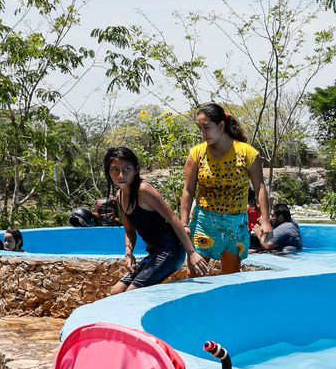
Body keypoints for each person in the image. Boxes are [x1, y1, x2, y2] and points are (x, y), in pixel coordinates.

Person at [103, 146, 209, 297]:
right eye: (115, 169)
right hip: (154, 253)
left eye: (127, 168)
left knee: (131, 294)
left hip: (171, 250)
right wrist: (128, 254)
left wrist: (191, 252)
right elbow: (129, 230)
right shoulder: (119, 196)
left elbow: (173, 219)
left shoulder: (144, 190)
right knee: (116, 292)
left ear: (136, 170)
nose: (121, 175)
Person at [180, 102, 268, 275]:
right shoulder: (197, 153)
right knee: (195, 276)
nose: (203, 133)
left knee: (230, 277)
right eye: (200, 128)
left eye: (206, 127)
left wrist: (265, 220)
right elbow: (188, 190)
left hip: (234, 225)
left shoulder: (248, 153)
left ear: (221, 125)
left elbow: (260, 188)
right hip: (204, 222)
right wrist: (183, 223)